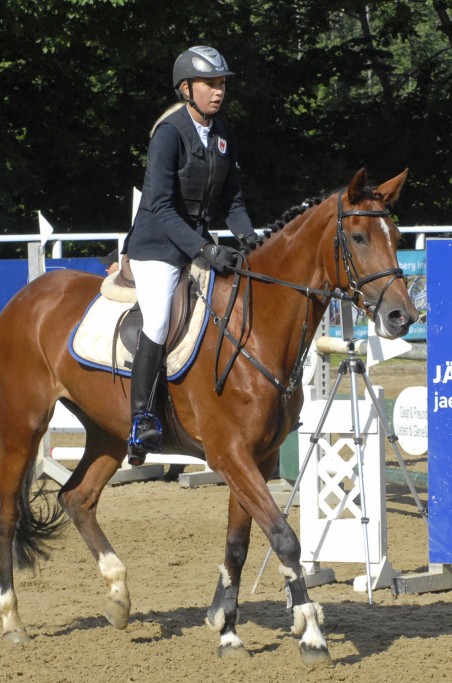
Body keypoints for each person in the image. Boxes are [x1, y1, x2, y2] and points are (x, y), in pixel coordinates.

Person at [122, 46, 262, 465]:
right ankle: (141, 420)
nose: (219, 91)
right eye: (210, 84)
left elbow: (233, 201)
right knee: (159, 320)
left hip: (197, 243)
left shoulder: (223, 134)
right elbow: (161, 206)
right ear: (186, 89)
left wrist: (250, 239)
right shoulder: (169, 133)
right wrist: (204, 249)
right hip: (157, 246)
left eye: (222, 84)